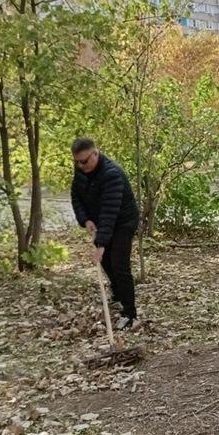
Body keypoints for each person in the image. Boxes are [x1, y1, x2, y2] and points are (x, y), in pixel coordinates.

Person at [70, 138, 140, 331]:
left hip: (123, 221)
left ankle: (130, 314)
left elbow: (110, 212)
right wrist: (86, 220)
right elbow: (76, 196)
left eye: (84, 161)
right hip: (102, 220)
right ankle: (117, 294)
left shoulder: (112, 174)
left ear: (95, 153)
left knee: (119, 265)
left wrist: (101, 244)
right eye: (77, 161)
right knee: (106, 262)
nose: (80, 165)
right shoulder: (81, 171)